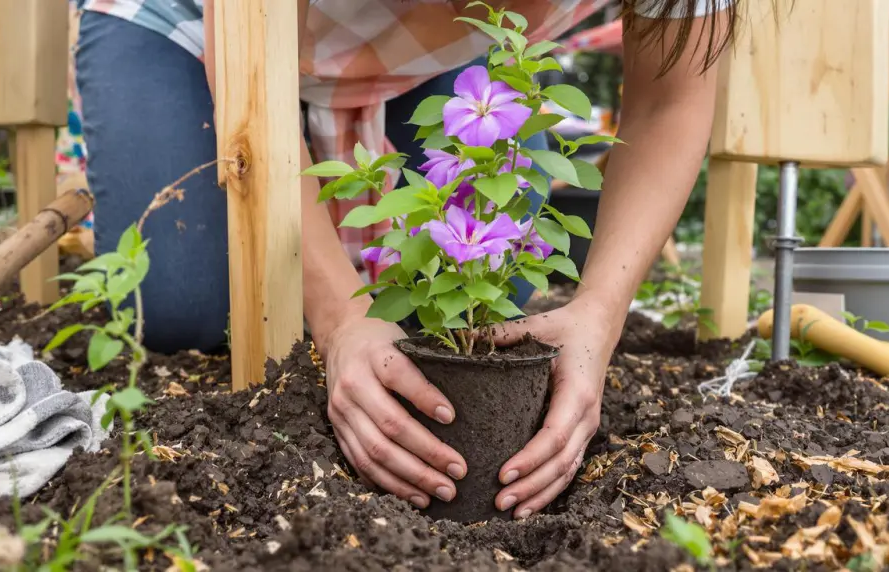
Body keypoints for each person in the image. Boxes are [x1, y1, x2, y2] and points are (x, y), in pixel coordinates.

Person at [74, 0, 737, 519]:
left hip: (434, 58)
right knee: (181, 309)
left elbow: (670, 101)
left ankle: (321, 245)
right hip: (204, 29)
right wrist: (340, 320)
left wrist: (598, 315)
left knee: (471, 304)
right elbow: (251, 69)